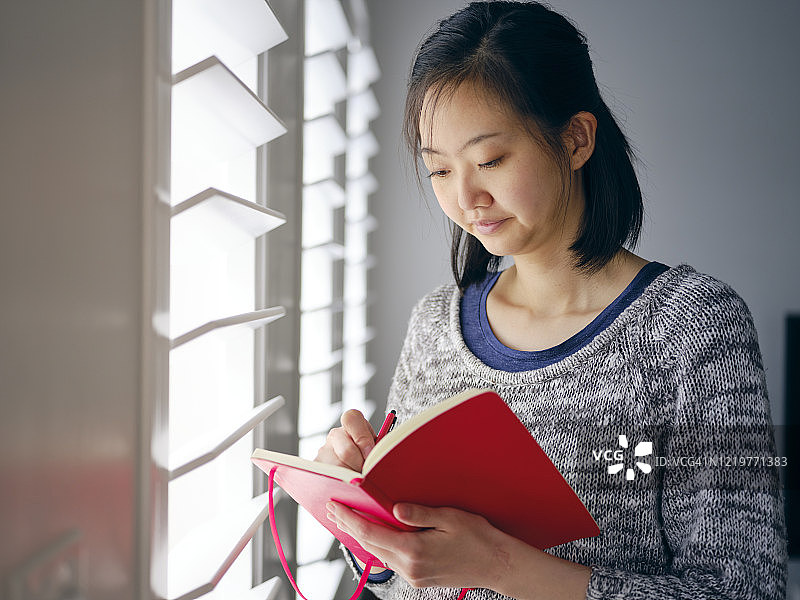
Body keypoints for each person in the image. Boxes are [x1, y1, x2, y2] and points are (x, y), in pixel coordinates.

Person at [314, 2, 788, 599]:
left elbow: (744, 590)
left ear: (575, 139)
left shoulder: (693, 326)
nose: (467, 198)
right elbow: (398, 583)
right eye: (439, 170)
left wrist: (496, 565)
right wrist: (365, 523)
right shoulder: (435, 323)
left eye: (490, 160)